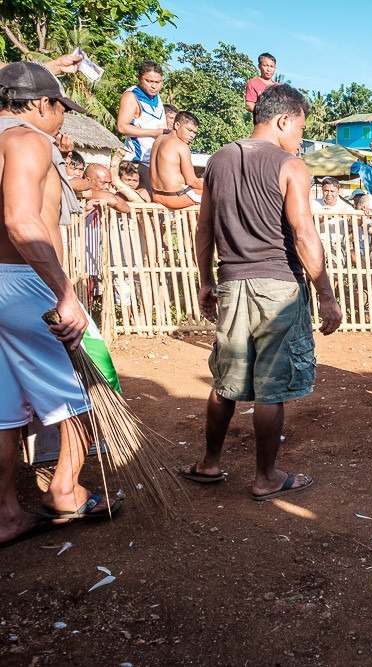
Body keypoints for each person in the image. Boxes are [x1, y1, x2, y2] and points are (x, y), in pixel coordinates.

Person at [188, 84, 342, 500]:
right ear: (283, 119)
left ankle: (209, 462)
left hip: (232, 283)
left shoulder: (218, 159)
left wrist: (206, 280)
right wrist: (325, 294)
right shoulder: (291, 166)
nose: (301, 138)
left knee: (226, 380)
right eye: (301, 128)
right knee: (272, 388)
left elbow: (203, 229)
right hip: (278, 286)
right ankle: (266, 477)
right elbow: (303, 232)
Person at [0, 61, 125, 547]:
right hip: (26, 283)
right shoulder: (26, 140)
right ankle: (66, 491)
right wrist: (64, 293)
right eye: (59, 107)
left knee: (6, 410)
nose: (61, 120)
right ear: (39, 104)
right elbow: (21, 220)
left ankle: (7, 514)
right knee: (89, 385)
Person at [116, 61, 166, 189]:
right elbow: (122, 127)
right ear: (138, 78)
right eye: (149, 81)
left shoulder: (157, 98)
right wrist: (154, 133)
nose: (153, 86)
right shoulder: (131, 96)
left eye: (157, 82)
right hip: (137, 162)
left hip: (154, 162)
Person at [148, 110, 202, 209]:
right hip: (175, 197)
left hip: (156, 195)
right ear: (177, 125)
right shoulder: (182, 146)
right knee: (217, 195)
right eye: (189, 130)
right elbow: (191, 181)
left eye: (194, 133)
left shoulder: (159, 139)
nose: (192, 136)